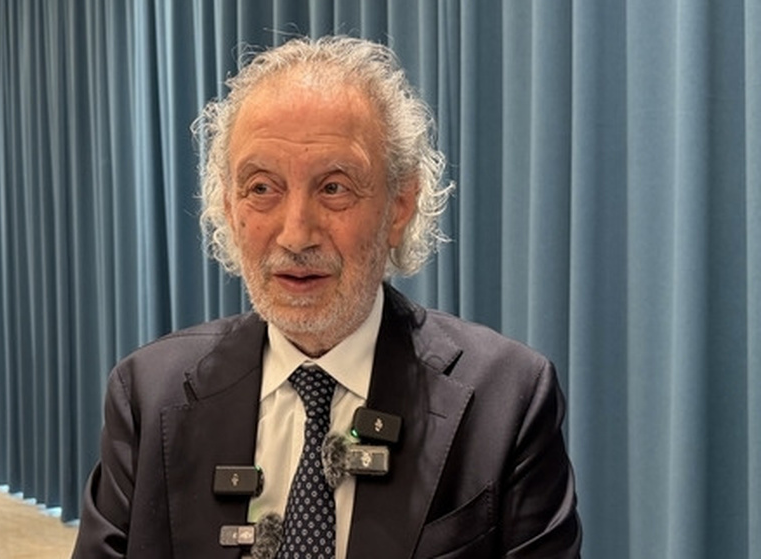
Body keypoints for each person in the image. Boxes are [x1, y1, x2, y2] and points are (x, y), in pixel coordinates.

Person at [72, 36, 581, 558]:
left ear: (400, 205)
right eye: (262, 188)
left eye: (334, 188)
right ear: (228, 204)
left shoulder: (507, 399)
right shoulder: (147, 393)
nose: (296, 235)